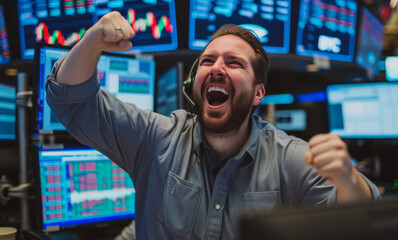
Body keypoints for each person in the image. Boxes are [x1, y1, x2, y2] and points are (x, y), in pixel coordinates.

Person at [46, 11, 380, 240]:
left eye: (233, 63)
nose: (217, 68)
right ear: (195, 83)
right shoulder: (156, 139)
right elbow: (70, 100)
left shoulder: (290, 159)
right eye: (208, 61)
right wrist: (90, 42)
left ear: (257, 94)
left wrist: (348, 179)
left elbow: (363, 221)